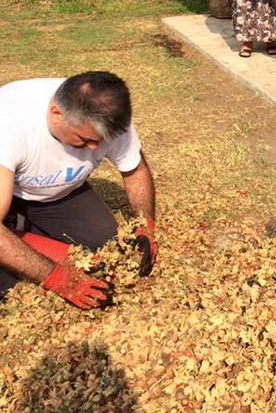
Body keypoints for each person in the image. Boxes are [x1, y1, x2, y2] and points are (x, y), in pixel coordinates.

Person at [0, 71, 158, 310]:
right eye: (84, 139)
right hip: (7, 187)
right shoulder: (9, 123)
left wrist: (145, 224)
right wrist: (55, 276)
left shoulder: (109, 115)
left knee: (104, 241)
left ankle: (17, 228)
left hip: (54, 193)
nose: (94, 147)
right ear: (56, 113)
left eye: (101, 140)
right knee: (8, 288)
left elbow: (135, 171)